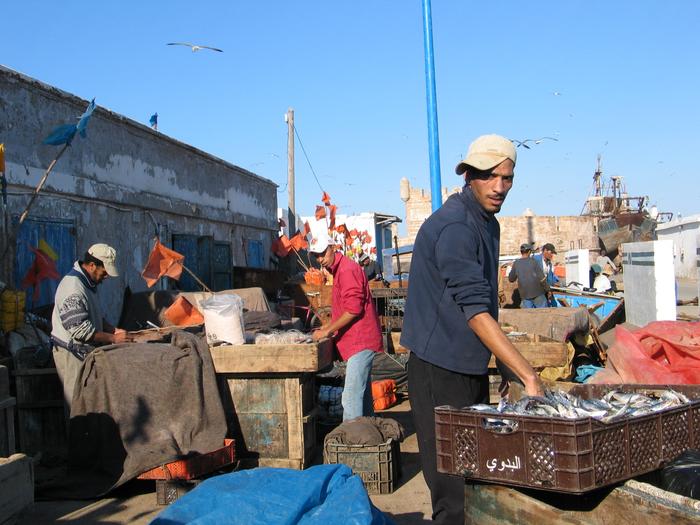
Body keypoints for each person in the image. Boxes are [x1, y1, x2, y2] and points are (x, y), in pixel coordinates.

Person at [401, 134, 545, 524]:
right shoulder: (456, 227)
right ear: (469, 175)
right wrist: (526, 373)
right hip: (437, 372)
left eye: (507, 178)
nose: (499, 187)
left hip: (467, 369)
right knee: (452, 494)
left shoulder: (487, 222)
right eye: (489, 176)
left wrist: (495, 362)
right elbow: (476, 311)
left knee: (474, 480)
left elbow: (485, 304)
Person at [51, 243, 131, 413]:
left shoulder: (88, 283)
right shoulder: (73, 287)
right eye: (104, 272)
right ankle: (76, 439)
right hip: (70, 354)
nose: (106, 277)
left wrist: (112, 329)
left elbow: (92, 314)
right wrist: (114, 339)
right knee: (77, 404)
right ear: (92, 265)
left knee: (89, 401)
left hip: (83, 352)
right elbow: (80, 330)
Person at [310, 235, 383, 420]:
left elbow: (353, 310)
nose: (320, 259)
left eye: (322, 253)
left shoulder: (347, 270)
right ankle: (369, 440)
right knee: (363, 399)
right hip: (357, 342)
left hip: (360, 341)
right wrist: (327, 326)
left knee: (351, 399)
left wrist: (326, 330)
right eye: (316, 256)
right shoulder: (341, 270)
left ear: (332, 248)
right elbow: (345, 309)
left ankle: (353, 444)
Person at [508, 243, 550, 308]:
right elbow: (542, 278)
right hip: (538, 293)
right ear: (529, 252)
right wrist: (548, 290)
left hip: (525, 295)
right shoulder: (534, 262)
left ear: (521, 252)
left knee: (529, 316)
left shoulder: (516, 263)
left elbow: (511, 279)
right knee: (543, 314)